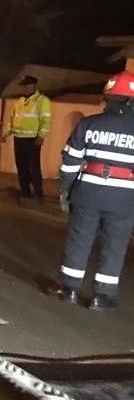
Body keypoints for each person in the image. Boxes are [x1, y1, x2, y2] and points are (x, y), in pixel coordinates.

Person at [57, 70, 134, 311]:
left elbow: (69, 163)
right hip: (124, 198)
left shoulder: (88, 124)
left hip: (88, 192)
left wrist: (67, 191)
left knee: (79, 239)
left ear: (107, 98)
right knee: (114, 246)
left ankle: (69, 289)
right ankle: (102, 297)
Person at [2, 75, 52, 201]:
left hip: (32, 139)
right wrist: (6, 133)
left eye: (26, 86)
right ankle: (25, 191)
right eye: (23, 86)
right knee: (21, 166)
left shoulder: (42, 100)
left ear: (33, 86)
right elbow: (13, 119)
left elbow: (46, 120)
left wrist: (41, 136)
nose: (24, 88)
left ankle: (38, 193)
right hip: (19, 138)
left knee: (34, 167)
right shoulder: (20, 101)